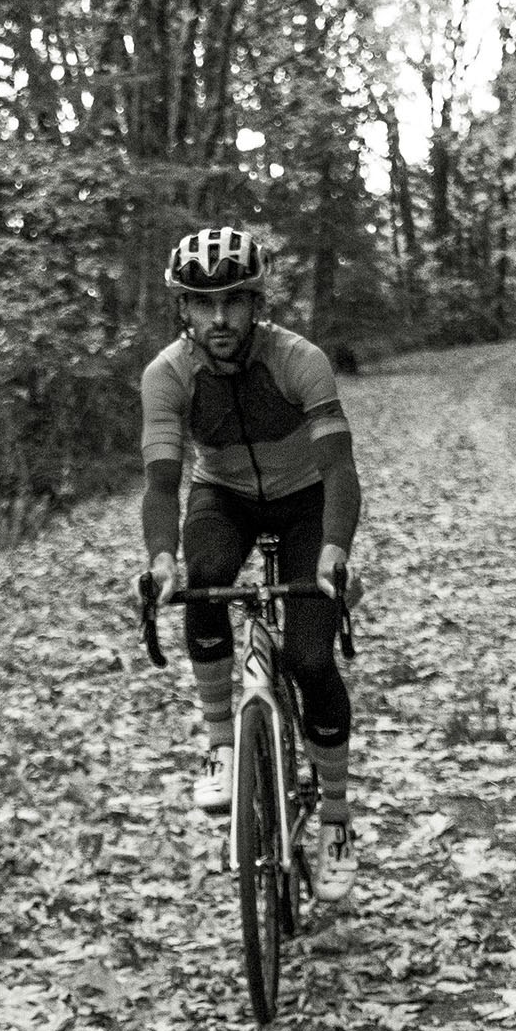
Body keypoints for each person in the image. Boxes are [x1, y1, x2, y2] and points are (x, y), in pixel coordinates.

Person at [140, 226, 362, 845]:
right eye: (203, 302)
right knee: (202, 577)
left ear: (257, 303)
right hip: (224, 498)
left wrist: (334, 553)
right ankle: (219, 744)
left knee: (309, 659)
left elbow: (340, 469)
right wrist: (162, 561)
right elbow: (161, 484)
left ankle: (337, 817)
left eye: (233, 300)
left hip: (304, 502)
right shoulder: (168, 375)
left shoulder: (300, 361)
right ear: (183, 307)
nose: (219, 317)